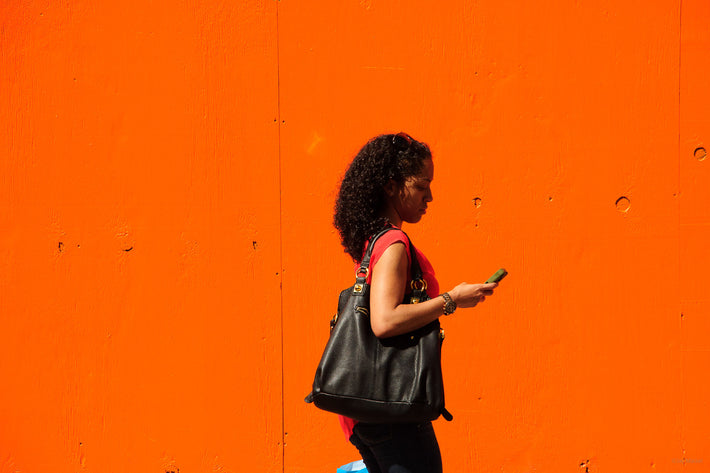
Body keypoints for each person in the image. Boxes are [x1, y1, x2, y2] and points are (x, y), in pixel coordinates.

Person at [332, 132, 498, 473]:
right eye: (422, 186)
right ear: (391, 187)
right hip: (393, 407)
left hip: (367, 413)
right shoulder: (393, 242)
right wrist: (452, 299)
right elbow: (385, 320)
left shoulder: (374, 240)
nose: (430, 196)